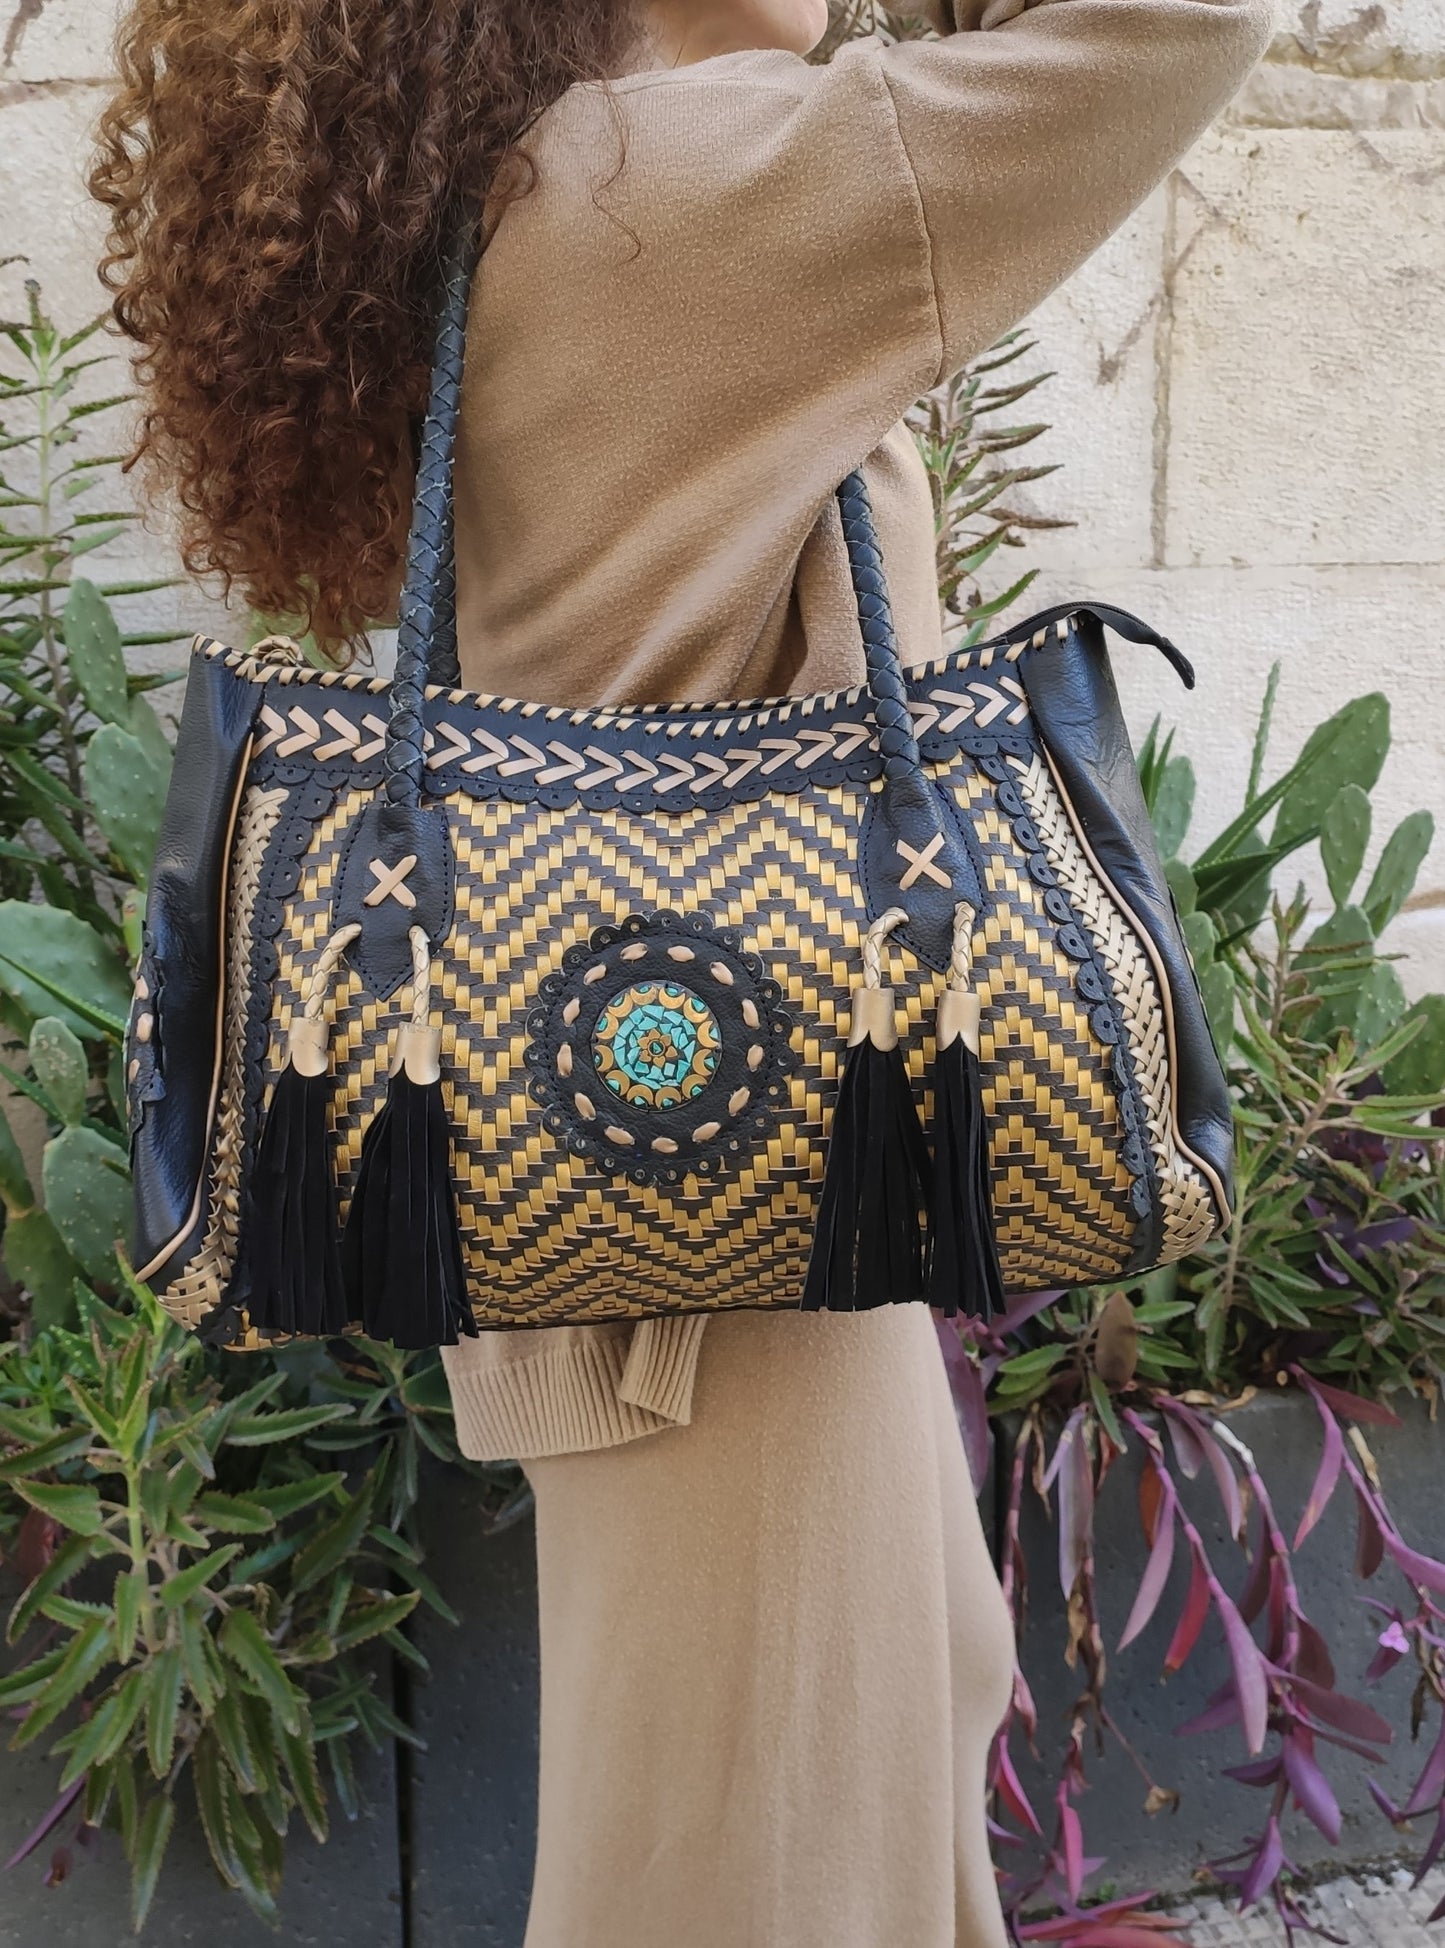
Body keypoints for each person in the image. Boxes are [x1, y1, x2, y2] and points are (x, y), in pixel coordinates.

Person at [92, 0, 1273, 1940]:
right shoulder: (710, 179)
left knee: (822, 1829)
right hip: (733, 1277)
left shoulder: (540, 180)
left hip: (660, 1228)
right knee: (770, 1880)